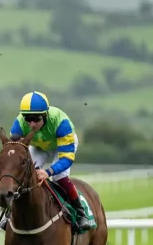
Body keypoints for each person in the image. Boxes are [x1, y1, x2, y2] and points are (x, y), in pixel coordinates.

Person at [6, 90, 93, 231]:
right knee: (24, 173)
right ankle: (10, 212)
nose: (32, 124)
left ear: (45, 115)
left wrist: (48, 172)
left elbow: (66, 159)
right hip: (39, 147)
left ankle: (81, 213)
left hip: (61, 146)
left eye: (36, 119)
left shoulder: (61, 123)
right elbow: (15, 152)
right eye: (28, 119)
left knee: (58, 176)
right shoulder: (19, 124)